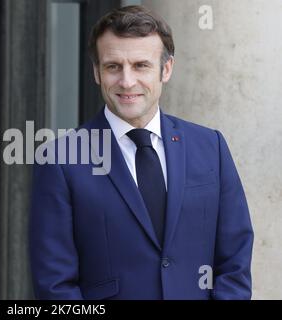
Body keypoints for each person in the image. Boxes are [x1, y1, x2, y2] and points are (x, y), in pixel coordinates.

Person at [29, 5, 253, 300]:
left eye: (140, 65)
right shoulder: (62, 160)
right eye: (113, 67)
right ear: (97, 72)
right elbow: (55, 285)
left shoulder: (210, 147)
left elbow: (234, 263)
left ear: (167, 69)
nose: (126, 81)